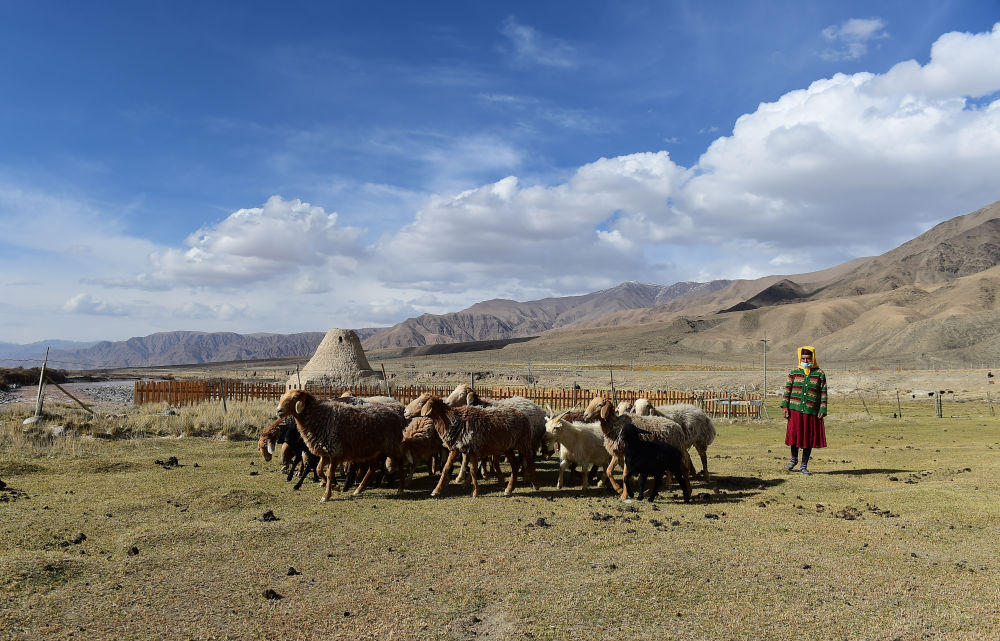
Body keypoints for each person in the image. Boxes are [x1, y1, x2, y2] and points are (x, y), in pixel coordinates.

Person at [780, 346, 827, 475]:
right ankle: (793, 459)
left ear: (813, 358)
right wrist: (785, 407)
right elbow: (787, 390)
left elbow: (823, 393)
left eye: (808, 358)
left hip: (811, 411)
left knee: (808, 438)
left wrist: (822, 408)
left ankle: (803, 466)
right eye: (803, 358)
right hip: (795, 410)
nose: (806, 360)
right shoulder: (794, 372)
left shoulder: (819, 374)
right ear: (800, 358)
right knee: (795, 435)